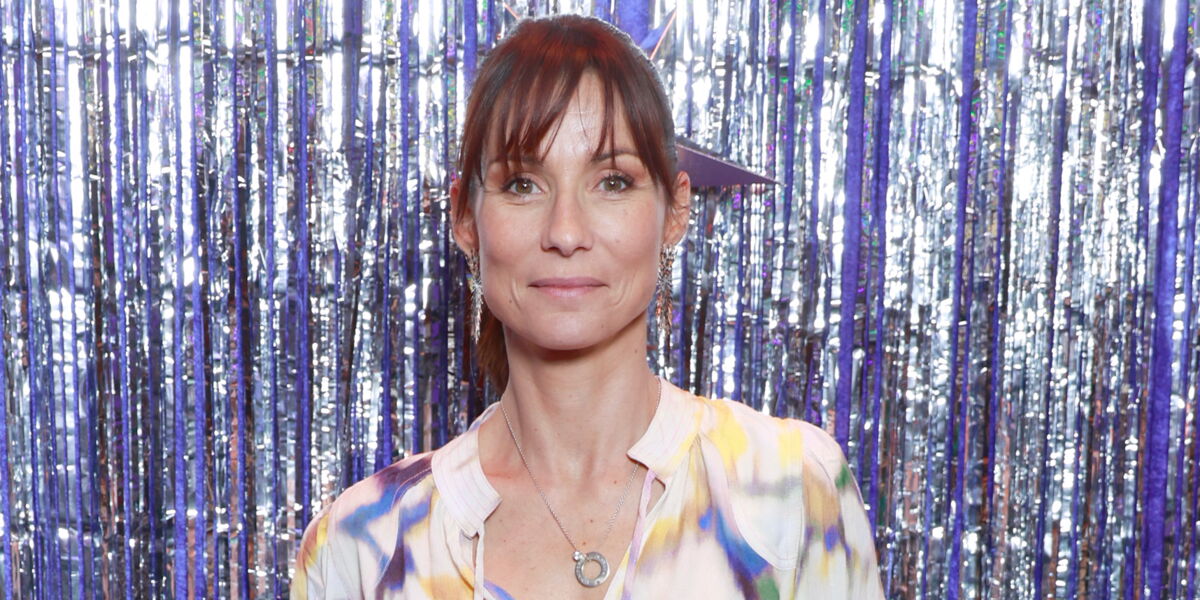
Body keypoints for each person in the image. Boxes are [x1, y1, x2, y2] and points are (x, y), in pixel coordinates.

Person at [292, 14, 883, 600]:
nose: (566, 232)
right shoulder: (363, 545)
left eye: (613, 181)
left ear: (675, 210)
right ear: (466, 218)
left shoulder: (791, 490)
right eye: (522, 184)